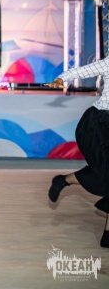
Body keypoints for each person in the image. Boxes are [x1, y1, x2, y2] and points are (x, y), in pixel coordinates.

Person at [45, 58, 109, 248]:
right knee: (105, 172)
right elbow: (80, 71)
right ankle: (65, 180)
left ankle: (108, 235)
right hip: (99, 123)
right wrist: (61, 79)